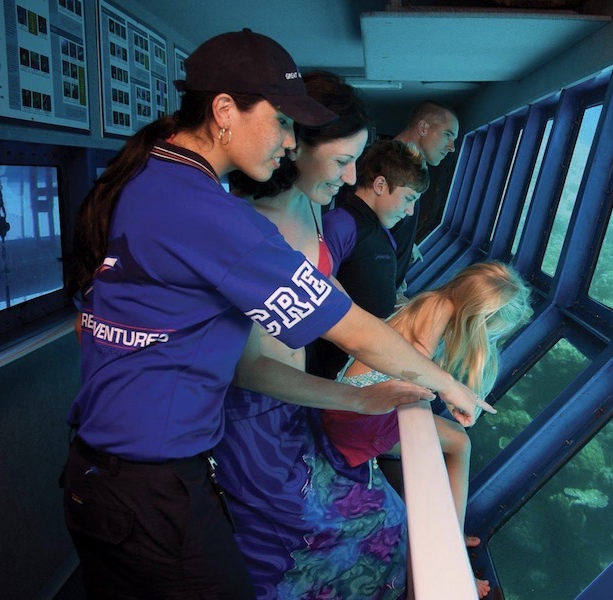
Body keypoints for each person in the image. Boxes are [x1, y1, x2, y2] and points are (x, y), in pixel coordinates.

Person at [60, 30, 486, 599]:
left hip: (105, 473)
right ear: (224, 111)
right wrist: (446, 385)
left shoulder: (148, 178)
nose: (289, 141)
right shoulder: (213, 215)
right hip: (149, 486)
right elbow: (350, 328)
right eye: (282, 121)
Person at [217, 72, 413, 600]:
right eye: (343, 160)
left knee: (385, 515)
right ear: (295, 143)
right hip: (258, 424)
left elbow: (332, 300)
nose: (351, 179)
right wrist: (359, 396)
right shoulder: (249, 226)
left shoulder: (314, 205)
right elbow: (252, 369)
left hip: (298, 411)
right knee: (308, 542)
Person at [322, 260, 533, 600]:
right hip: (355, 418)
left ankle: (452, 533)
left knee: (456, 442)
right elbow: (410, 363)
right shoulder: (440, 307)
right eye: (492, 332)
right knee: (459, 443)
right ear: (479, 319)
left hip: (351, 410)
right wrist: (448, 389)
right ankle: (453, 544)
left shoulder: (434, 301)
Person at [306, 139, 429, 380]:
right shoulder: (340, 225)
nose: (410, 211)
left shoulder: (383, 233)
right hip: (326, 366)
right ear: (380, 185)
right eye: (409, 199)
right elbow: (316, 296)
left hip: (358, 362)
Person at [390, 100, 460, 294]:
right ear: (423, 128)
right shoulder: (388, 166)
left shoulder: (411, 169)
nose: (452, 147)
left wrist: (406, 247)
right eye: (447, 135)